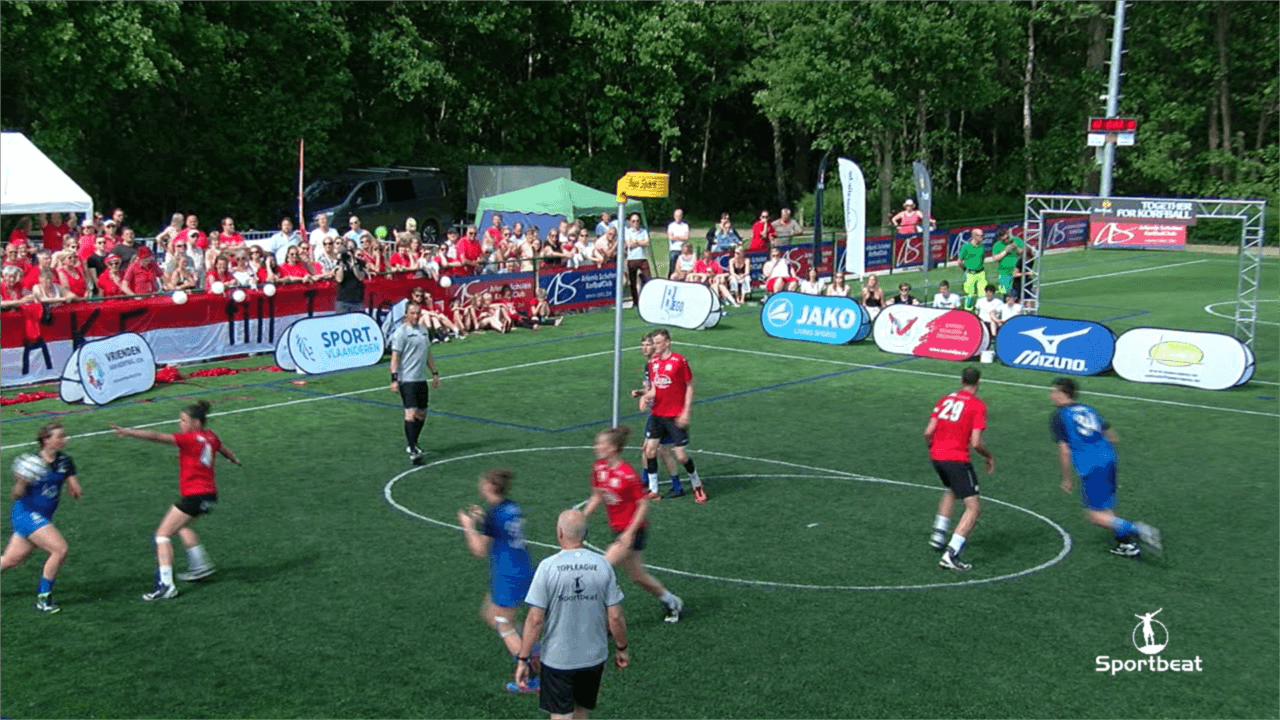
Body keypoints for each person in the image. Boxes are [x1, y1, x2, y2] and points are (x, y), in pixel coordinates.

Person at [111, 400, 242, 600]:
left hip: (194, 495)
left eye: (183, 420)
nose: (179, 424)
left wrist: (128, 432)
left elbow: (156, 436)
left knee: (162, 535)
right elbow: (222, 447)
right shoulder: (210, 436)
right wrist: (233, 458)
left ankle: (166, 585)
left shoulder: (188, 439)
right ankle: (200, 567)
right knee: (183, 527)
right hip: (209, 495)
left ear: (196, 423)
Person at [514, 509, 628, 719]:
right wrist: (622, 648)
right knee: (581, 710)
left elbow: (535, 619)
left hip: (559, 658)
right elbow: (615, 616)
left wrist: (523, 659)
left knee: (560, 714)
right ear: (586, 533)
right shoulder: (603, 565)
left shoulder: (548, 568)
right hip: (593, 657)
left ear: (559, 533)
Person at [1050, 378, 1162, 558]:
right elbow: (1112, 436)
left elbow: (1064, 451)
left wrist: (1067, 478)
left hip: (1091, 465)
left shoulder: (1060, 416)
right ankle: (1126, 545)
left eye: (1054, 391)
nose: (1051, 395)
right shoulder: (1089, 409)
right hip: (1108, 458)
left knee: (1094, 516)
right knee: (1104, 508)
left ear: (1063, 393)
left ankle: (1138, 530)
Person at [584, 426, 684, 623]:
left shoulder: (626, 473)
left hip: (633, 530)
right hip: (619, 529)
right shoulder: (599, 468)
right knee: (637, 576)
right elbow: (597, 496)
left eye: (601, 444)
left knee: (601, 570)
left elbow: (643, 504)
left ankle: (603, 623)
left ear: (613, 448)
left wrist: (629, 533)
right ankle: (672, 601)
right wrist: (581, 516)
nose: (596, 447)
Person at [456, 468, 539, 694]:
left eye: (483, 482)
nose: (480, 485)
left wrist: (468, 525)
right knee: (489, 614)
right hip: (523, 567)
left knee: (505, 625)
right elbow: (501, 529)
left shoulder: (494, 514)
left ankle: (530, 675)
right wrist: (483, 519)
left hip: (507, 575)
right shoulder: (511, 507)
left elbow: (480, 550)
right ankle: (534, 649)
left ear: (491, 486)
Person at [1, 423, 82, 613]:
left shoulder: (65, 461)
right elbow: (15, 494)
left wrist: (74, 489)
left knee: (10, 560)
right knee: (60, 549)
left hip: (42, 516)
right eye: (60, 436)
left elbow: (74, 486)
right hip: (26, 514)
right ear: (46, 440)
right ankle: (44, 598)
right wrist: (21, 482)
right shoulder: (30, 462)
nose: (64, 439)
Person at [924, 367, 995, 571]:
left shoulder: (945, 400)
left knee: (952, 490)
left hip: (936, 456)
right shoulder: (977, 406)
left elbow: (928, 431)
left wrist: (933, 447)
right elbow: (976, 442)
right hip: (956, 458)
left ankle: (938, 535)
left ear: (961, 380)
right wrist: (988, 456)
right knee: (973, 507)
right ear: (978, 381)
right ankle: (951, 554)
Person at [641, 329, 706, 503]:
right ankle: (654, 489)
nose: (656, 346)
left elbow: (690, 386)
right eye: (654, 342)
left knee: (681, 456)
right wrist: (645, 396)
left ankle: (696, 483)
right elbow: (656, 387)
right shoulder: (653, 362)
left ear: (668, 342)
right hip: (657, 414)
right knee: (649, 450)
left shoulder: (679, 361)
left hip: (675, 415)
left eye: (659, 342)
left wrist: (686, 411)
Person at [630, 332, 686, 496]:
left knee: (659, 450)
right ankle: (649, 482)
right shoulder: (649, 365)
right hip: (656, 411)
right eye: (643, 345)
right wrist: (641, 393)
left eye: (648, 344)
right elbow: (652, 388)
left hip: (665, 412)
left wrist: (645, 396)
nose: (644, 348)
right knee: (650, 449)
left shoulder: (658, 363)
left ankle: (657, 484)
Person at [389, 301, 440, 464]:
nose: (416, 316)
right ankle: (412, 449)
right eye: (412, 313)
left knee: (422, 413)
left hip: (420, 378)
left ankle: (413, 443)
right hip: (407, 379)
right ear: (406, 314)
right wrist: (394, 379)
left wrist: (435, 373)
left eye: (418, 313)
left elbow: (428, 353)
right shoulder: (401, 333)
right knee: (410, 413)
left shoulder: (423, 330)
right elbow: (395, 358)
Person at [623, 213, 651, 306]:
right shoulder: (627, 231)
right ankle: (636, 302)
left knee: (648, 279)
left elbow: (647, 243)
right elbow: (629, 244)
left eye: (637, 221)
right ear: (630, 222)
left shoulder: (643, 231)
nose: (636, 223)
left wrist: (635, 242)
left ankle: (647, 299)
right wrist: (640, 242)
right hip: (632, 259)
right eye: (633, 221)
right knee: (633, 281)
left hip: (642, 258)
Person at [957, 228, 987, 310]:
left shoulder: (981, 247)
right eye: (980, 236)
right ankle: (968, 310)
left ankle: (980, 309)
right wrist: (965, 269)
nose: (982, 237)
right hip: (970, 273)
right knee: (969, 293)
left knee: (982, 292)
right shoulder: (966, 247)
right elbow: (959, 261)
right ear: (974, 236)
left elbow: (983, 258)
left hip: (980, 272)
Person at [334, 239, 367, 313]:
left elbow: (360, 277)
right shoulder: (339, 262)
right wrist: (341, 263)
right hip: (343, 300)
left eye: (351, 249)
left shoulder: (360, 262)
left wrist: (353, 264)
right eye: (348, 248)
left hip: (357, 300)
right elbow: (339, 279)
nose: (349, 251)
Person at [990, 227, 1024, 296]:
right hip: (1004, 272)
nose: (1006, 240)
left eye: (1007, 238)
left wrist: (1016, 249)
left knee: (1018, 292)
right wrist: (1006, 251)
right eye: (1004, 239)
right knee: (1005, 293)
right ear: (1000, 239)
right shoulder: (997, 245)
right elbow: (995, 258)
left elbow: (1024, 254)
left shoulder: (1016, 240)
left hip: (1017, 271)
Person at [666, 209, 689, 276]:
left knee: (683, 267)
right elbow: (671, 237)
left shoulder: (685, 226)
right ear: (674, 216)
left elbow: (686, 237)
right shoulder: (671, 226)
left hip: (683, 250)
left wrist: (676, 237)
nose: (678, 217)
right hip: (674, 249)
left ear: (681, 216)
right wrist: (681, 237)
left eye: (679, 216)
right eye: (676, 216)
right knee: (672, 267)